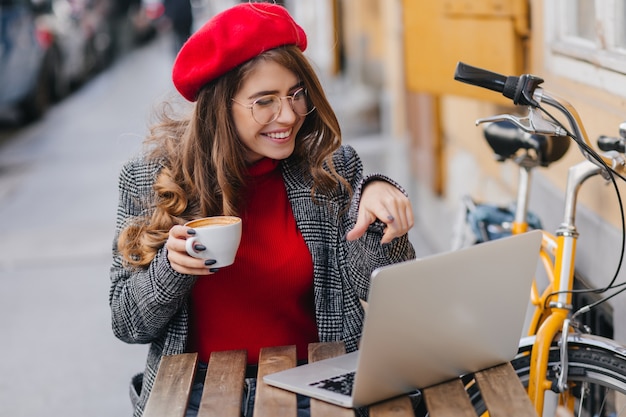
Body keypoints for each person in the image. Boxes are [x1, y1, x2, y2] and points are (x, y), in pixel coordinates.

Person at [109, 3, 416, 417]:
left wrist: (378, 201)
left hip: (319, 383)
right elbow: (128, 323)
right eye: (264, 101)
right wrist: (171, 268)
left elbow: (381, 289)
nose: (287, 115)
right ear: (220, 105)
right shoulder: (150, 180)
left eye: (296, 94)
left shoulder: (331, 172)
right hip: (197, 393)